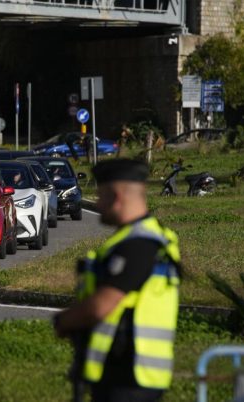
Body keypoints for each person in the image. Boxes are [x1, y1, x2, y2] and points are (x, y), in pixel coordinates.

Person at [52, 159, 181, 402]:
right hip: (126, 376)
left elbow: (102, 305)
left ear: (117, 196)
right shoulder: (142, 239)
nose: (98, 204)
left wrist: (64, 320)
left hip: (129, 379)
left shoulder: (138, 246)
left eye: (101, 197)